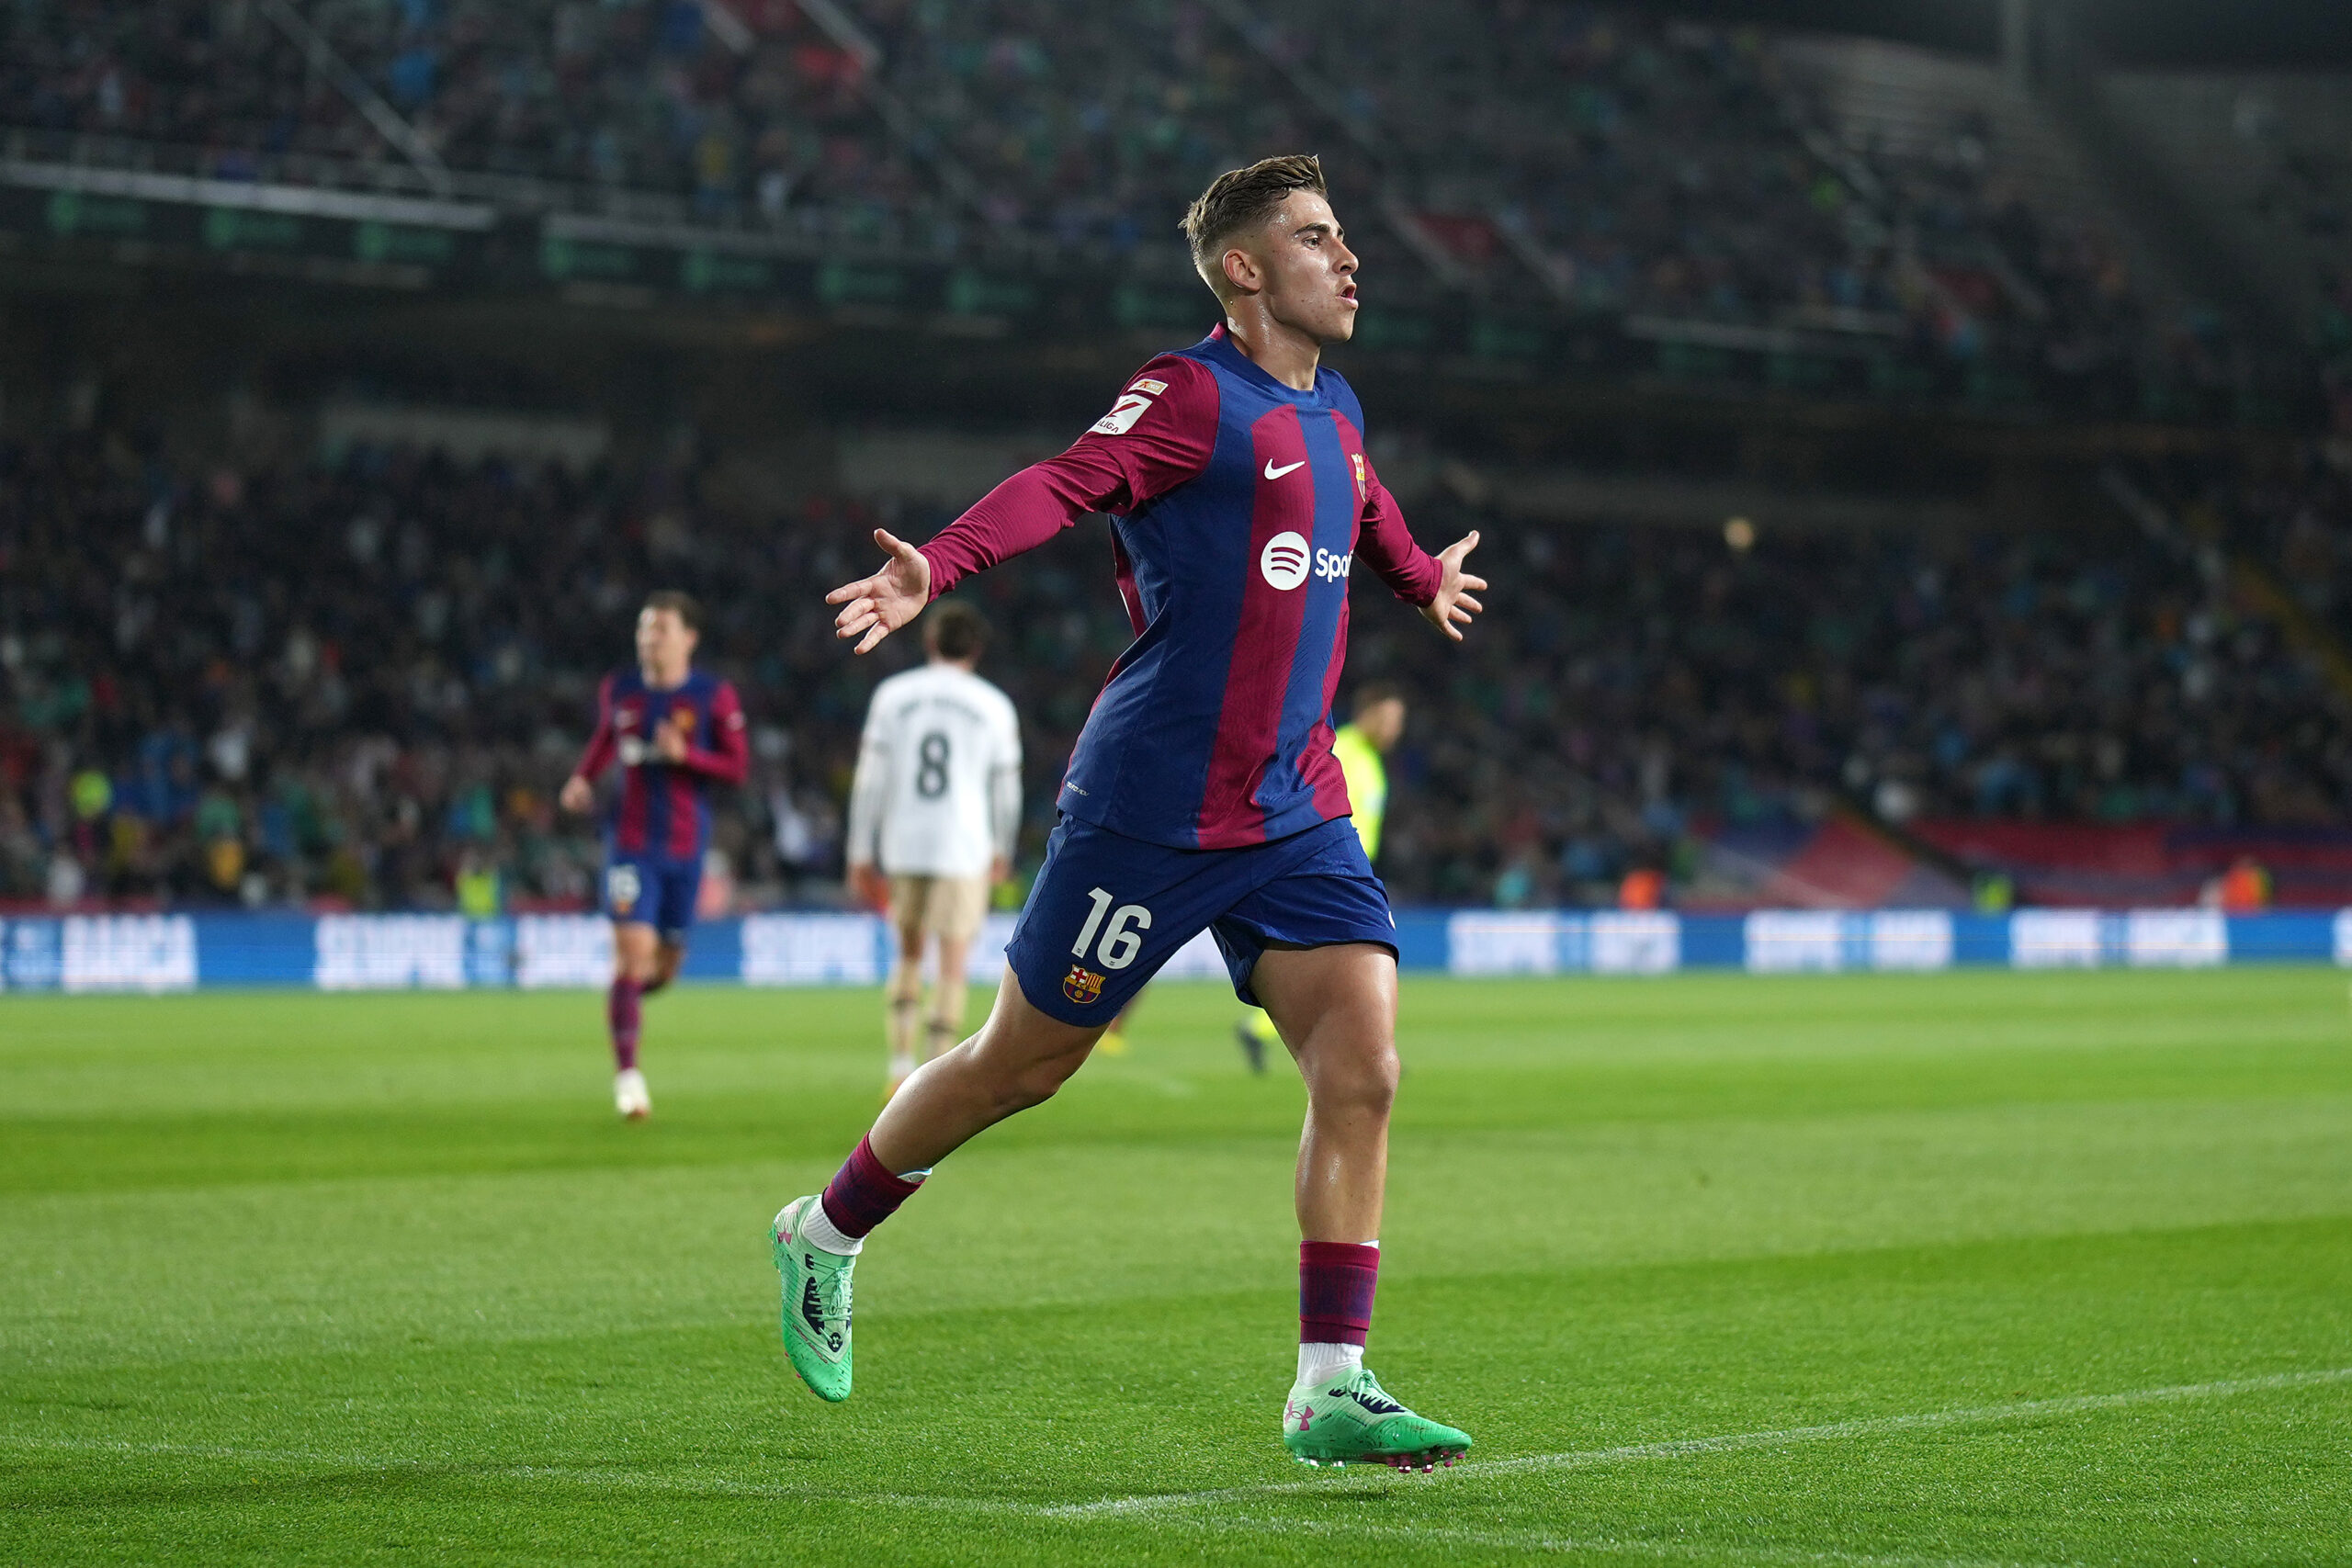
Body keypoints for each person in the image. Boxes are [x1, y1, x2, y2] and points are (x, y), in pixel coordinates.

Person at [775, 153, 1487, 1472]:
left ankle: (1330, 1380)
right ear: (1244, 267)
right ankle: (825, 1229)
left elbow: (1364, 496)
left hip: (1295, 806)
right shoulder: (1188, 396)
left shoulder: (1333, 405)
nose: (1351, 258)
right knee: (1017, 1067)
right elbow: (1061, 480)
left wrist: (1410, 575)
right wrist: (941, 560)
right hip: (1153, 805)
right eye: (1318, 237)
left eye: (1344, 237)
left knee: (1364, 1062)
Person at [560, 591, 748, 1119]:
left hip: (686, 849)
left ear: (688, 638)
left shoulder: (713, 696)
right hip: (630, 846)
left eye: (661, 628)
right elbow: (604, 739)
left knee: (663, 969)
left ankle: (622, 1007)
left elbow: (736, 769)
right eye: (644, 628)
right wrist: (582, 778)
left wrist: (687, 756)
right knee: (632, 956)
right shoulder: (620, 690)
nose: (649, 638)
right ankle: (628, 1076)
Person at [844, 601, 1022, 1099]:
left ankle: (899, 1061)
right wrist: (1002, 847)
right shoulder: (993, 705)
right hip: (964, 847)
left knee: (907, 952)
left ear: (928, 644)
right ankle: (928, 1079)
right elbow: (1005, 791)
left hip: (903, 843)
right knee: (952, 962)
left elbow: (870, 781)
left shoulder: (893, 696)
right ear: (978, 650)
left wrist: (860, 850)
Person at [1235, 682, 1405, 1072]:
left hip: (1350, 870)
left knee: (1359, 964)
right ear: (1369, 714)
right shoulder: (1343, 750)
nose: (1396, 729)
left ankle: (1371, 1048)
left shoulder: (1370, 758)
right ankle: (1370, 1050)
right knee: (1367, 960)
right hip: (1330, 868)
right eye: (1391, 719)